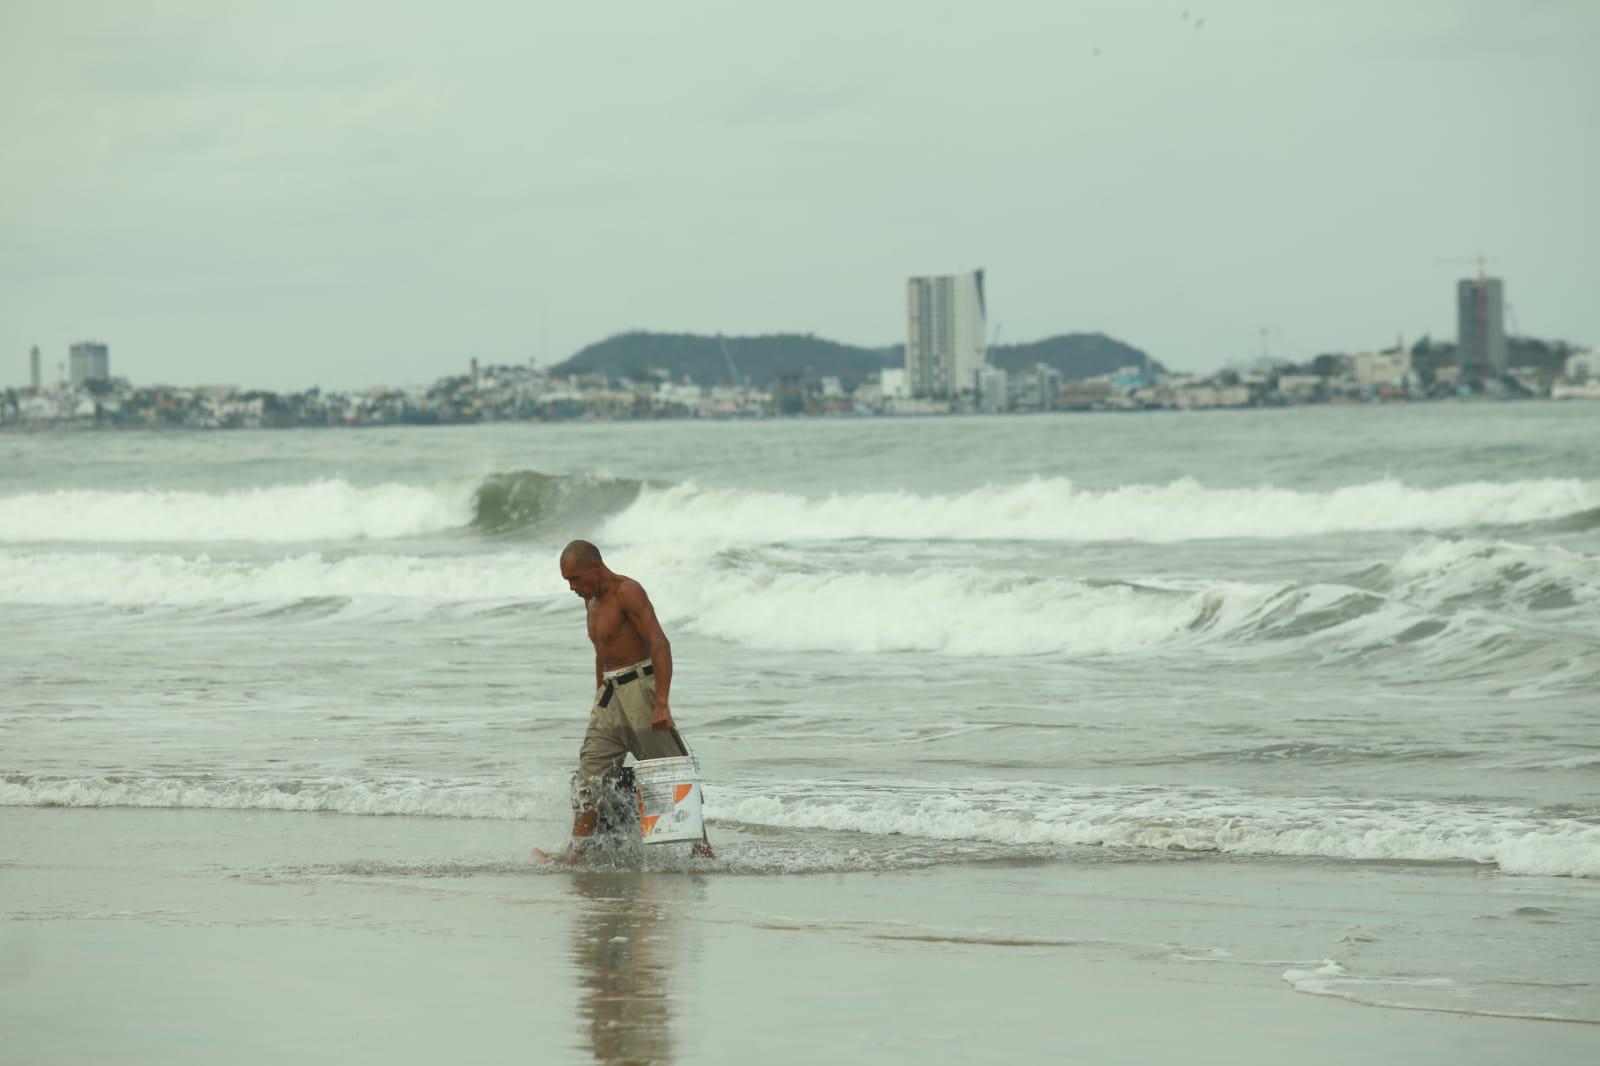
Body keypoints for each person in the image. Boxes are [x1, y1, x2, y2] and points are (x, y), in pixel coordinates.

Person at [534, 540, 714, 862]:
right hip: (609, 696)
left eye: (575, 579)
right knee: (590, 775)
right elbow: (601, 653)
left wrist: (662, 702)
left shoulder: (627, 592)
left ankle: (702, 848)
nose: (572, 588)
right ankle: (576, 853)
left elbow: (660, 644)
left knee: (669, 771)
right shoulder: (590, 601)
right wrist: (598, 696)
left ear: (595, 567)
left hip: (640, 692)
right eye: (567, 582)